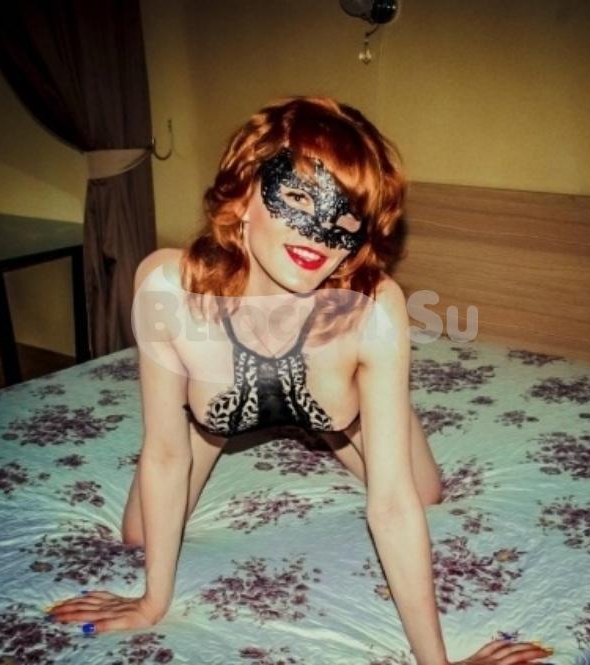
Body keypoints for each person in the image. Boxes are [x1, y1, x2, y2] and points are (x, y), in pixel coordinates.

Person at [48, 96, 552, 665]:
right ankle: (241, 411)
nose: (320, 236)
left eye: (346, 217)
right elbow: (165, 452)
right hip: (214, 418)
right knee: (141, 535)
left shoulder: (373, 305)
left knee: (424, 493)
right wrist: (152, 602)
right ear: (243, 194)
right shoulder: (168, 285)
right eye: (297, 198)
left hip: (339, 412)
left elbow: (392, 504)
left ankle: (339, 406)